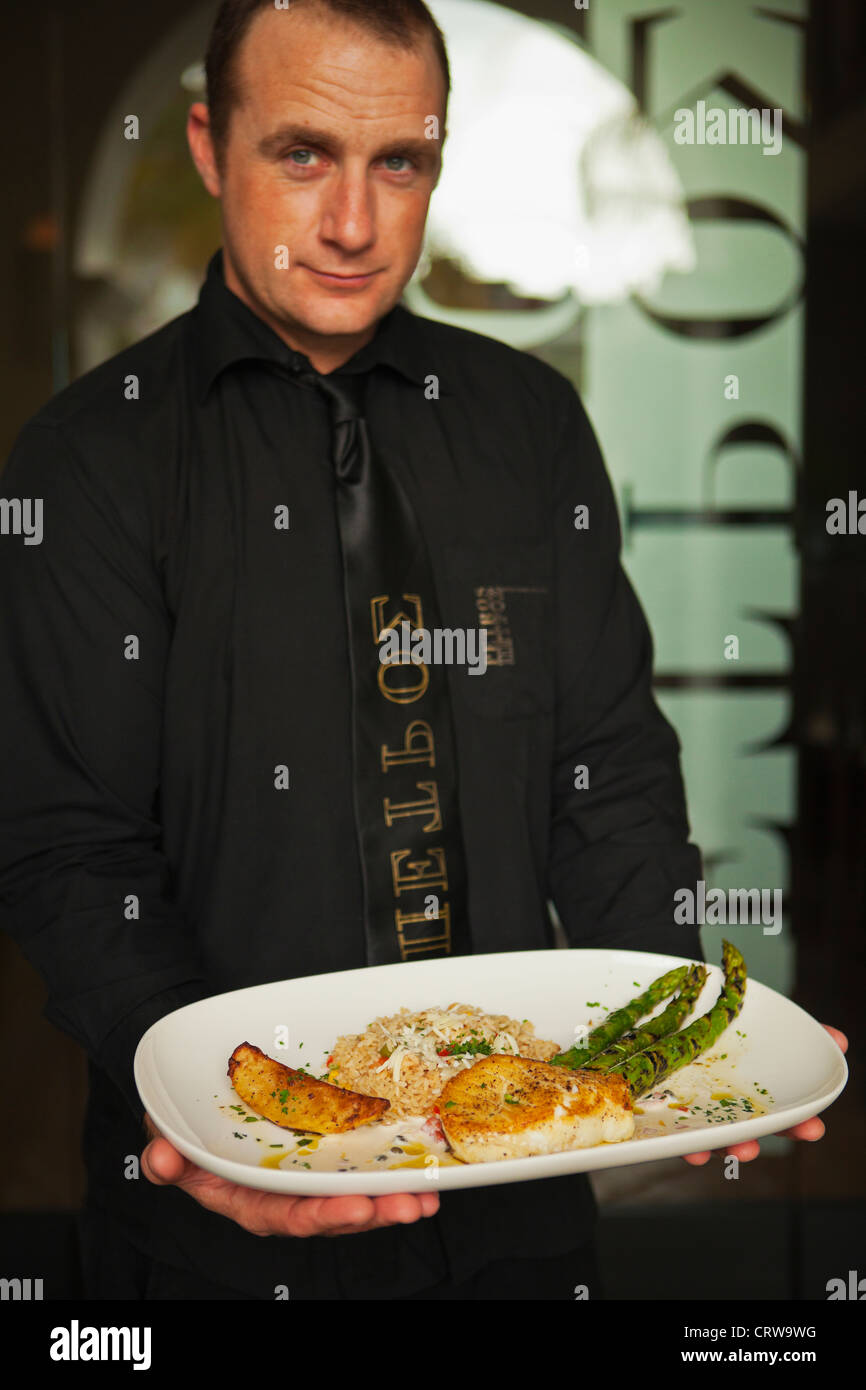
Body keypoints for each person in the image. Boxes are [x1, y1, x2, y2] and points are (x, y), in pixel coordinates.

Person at [0, 0, 845, 1301]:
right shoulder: (88, 459)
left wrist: (679, 1037)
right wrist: (219, 1115)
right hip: (217, 1237)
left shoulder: (527, 424)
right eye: (302, 154)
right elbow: (73, 851)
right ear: (210, 144)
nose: (353, 221)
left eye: (398, 162)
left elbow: (606, 773)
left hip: (519, 1218)